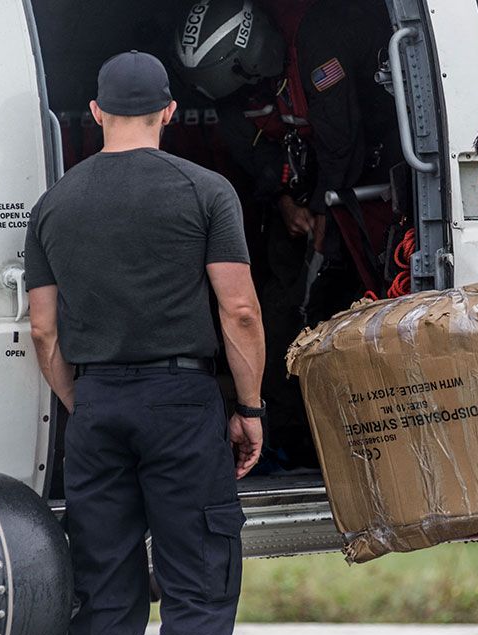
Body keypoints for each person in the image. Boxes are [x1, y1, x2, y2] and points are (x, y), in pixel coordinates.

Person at [25, 50, 265, 635]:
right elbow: (239, 311)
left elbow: (43, 331)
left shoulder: (53, 203)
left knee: (103, 591)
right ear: (171, 110)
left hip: (98, 406)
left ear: (96, 111)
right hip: (181, 404)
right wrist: (251, 408)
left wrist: (82, 401)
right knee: (198, 587)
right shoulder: (207, 192)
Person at [169, 0, 401, 469]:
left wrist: (320, 211)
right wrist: (285, 201)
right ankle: (287, 432)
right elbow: (248, 152)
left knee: (346, 301)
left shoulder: (317, 41)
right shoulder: (234, 95)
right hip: (298, 195)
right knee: (278, 301)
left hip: (358, 182)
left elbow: (342, 138)